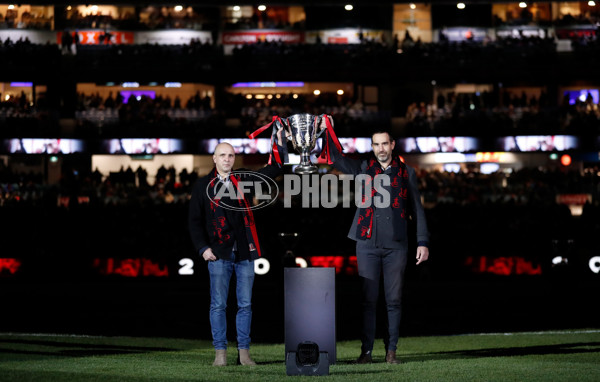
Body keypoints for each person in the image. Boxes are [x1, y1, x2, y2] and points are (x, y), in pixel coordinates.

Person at [324, 126, 430, 365]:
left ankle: (391, 351)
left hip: (397, 245)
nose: (380, 148)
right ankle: (367, 352)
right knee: (368, 300)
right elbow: (336, 157)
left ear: (392, 145)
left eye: (384, 144)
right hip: (366, 243)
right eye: (376, 144)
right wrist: (326, 129)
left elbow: (417, 209)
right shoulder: (363, 168)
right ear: (372, 147)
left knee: (394, 300)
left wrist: (422, 241)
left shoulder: (407, 173)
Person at [188, 136, 283, 367]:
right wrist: (202, 249)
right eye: (223, 155)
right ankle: (220, 353)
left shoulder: (243, 178)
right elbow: (194, 220)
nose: (227, 159)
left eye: (231, 155)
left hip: (244, 252)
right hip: (218, 254)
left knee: (246, 305)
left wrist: (279, 143)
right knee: (218, 305)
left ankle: (244, 354)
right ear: (214, 158)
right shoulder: (202, 185)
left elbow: (274, 169)